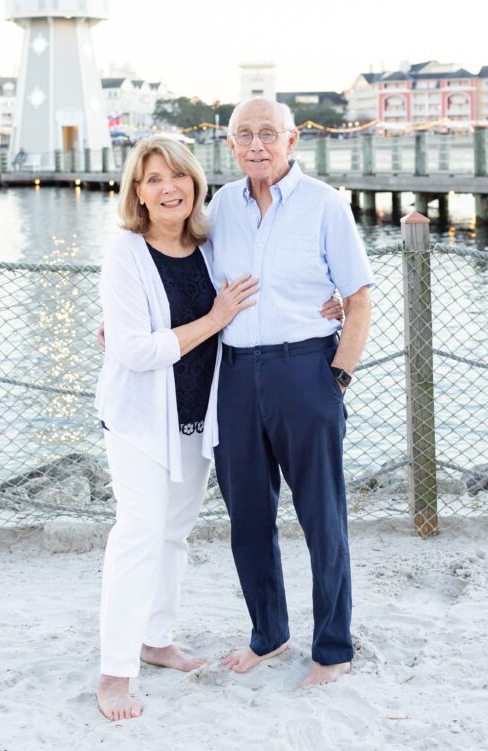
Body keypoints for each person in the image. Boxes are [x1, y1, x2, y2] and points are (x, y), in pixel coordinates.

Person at [94, 136, 343, 721]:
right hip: (139, 420)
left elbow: (267, 286)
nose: (169, 188)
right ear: (137, 192)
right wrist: (214, 317)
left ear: (196, 183)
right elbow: (136, 350)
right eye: (154, 179)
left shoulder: (209, 246)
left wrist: (326, 302)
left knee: (173, 534)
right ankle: (114, 674)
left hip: (195, 419)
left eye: (178, 175)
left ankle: (156, 640)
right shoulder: (126, 252)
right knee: (138, 534)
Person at [206, 97, 374, 689]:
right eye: (244, 135)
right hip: (234, 375)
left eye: (267, 134)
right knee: (247, 518)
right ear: (231, 144)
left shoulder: (325, 205)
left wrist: (337, 379)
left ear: (291, 139)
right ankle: (269, 634)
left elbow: (357, 299)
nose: (256, 145)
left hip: (306, 372)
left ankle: (332, 648)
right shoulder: (220, 207)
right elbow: (185, 275)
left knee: (322, 518)